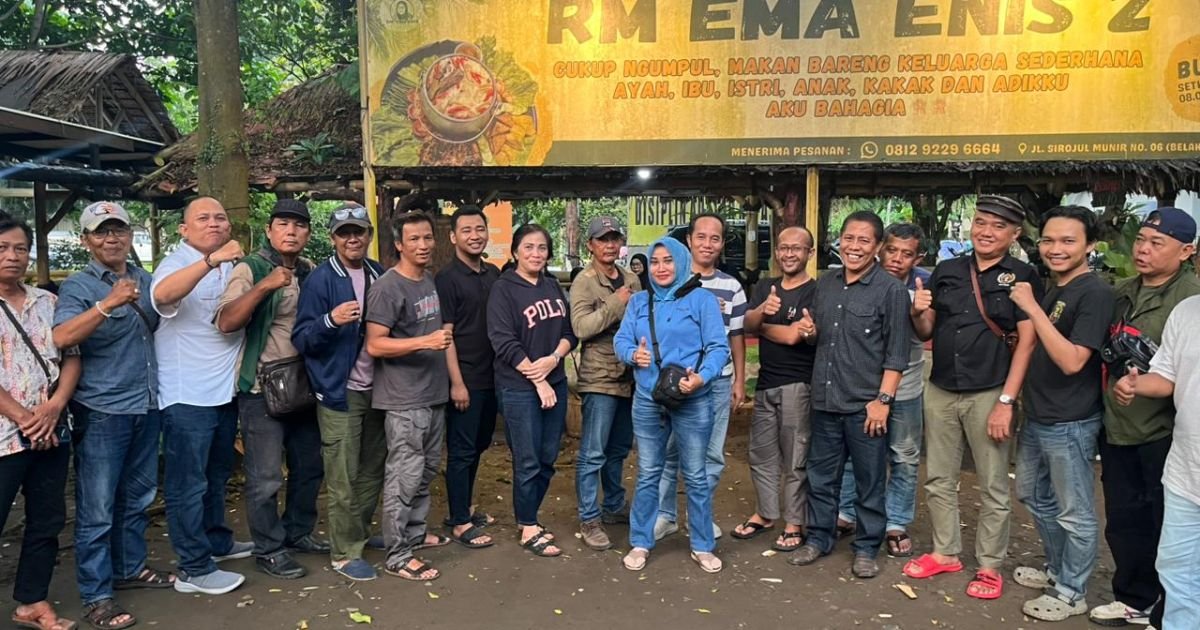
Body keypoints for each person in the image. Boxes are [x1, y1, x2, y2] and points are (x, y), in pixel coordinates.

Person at [903, 195, 1042, 601]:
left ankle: (989, 566)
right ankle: (945, 552)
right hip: (942, 388)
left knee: (993, 484)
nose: (986, 231)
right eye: (980, 222)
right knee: (938, 478)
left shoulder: (1021, 275)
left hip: (990, 391)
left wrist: (1007, 401)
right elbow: (928, 330)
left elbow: (1028, 342)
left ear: (1014, 234)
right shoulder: (948, 270)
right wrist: (918, 311)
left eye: (998, 226)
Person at [53, 201, 167, 629]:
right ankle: (96, 595)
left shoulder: (146, 279)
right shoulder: (79, 287)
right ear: (86, 240)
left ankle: (130, 567)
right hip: (102, 409)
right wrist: (108, 304)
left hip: (146, 403)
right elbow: (61, 336)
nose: (112, 238)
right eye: (101, 232)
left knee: (136, 498)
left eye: (118, 230)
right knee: (97, 507)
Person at [787, 211, 911, 579]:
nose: (854, 246)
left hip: (865, 406)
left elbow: (897, 354)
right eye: (849, 238)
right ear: (839, 241)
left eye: (864, 241)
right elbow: (820, 336)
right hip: (825, 401)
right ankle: (819, 538)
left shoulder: (891, 291)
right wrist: (809, 332)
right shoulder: (826, 284)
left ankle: (867, 547)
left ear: (876, 247)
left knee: (869, 480)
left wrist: (883, 402)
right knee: (821, 477)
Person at [1092, 208, 1199, 627]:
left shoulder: (1187, 297)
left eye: (1158, 243)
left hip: (1165, 434)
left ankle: (1166, 605)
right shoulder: (1123, 291)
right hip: (1120, 426)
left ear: (1187, 251)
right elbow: (1165, 372)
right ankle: (1135, 598)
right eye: (1141, 240)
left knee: (1162, 524)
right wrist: (1132, 385)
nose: (1143, 249)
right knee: (1124, 518)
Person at [1007, 206, 1114, 621]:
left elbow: (1072, 361)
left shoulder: (1094, 293)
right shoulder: (1058, 290)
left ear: (1090, 245)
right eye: (1049, 240)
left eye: (1068, 241)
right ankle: (1057, 569)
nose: (1055, 249)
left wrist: (1032, 309)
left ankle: (1072, 592)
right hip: (1040, 415)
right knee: (1031, 493)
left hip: (1071, 421)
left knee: (1076, 511)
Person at [215, 198, 327, 580]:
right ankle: (269, 547)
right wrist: (265, 285)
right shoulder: (251, 268)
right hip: (262, 388)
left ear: (308, 233)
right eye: (283, 224)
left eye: (299, 225)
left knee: (310, 467)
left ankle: (298, 532)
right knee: (265, 477)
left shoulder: (311, 271)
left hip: (305, 385)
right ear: (269, 230)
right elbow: (226, 321)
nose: (291, 231)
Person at [151, 197, 251, 595]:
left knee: (216, 475)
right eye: (203, 218)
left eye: (220, 217)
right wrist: (210, 261)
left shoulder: (231, 265)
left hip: (224, 392)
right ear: (183, 229)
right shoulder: (176, 263)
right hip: (186, 394)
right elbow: (161, 296)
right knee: (186, 484)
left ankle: (217, 542)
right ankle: (193, 567)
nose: (213, 224)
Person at [614, 236, 730, 573]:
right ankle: (640, 541)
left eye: (668, 260)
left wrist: (702, 377)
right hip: (649, 398)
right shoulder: (638, 302)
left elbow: (717, 347)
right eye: (655, 261)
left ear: (681, 262)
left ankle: (702, 544)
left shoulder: (701, 300)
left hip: (692, 398)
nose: (661, 268)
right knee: (649, 472)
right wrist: (632, 354)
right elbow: (621, 340)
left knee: (695, 474)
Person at [292, 203, 388, 581]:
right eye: (344, 232)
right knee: (342, 474)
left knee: (371, 468)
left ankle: (358, 534)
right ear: (332, 238)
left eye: (359, 231)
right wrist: (330, 321)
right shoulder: (320, 280)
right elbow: (301, 338)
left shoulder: (378, 273)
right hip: (339, 391)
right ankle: (344, 553)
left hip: (378, 388)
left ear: (369, 235)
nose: (353, 238)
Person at [0, 212, 81, 630]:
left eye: (20, 248)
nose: (12, 257)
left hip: (51, 433)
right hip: (4, 438)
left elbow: (71, 357)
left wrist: (53, 409)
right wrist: (25, 418)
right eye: (2, 248)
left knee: (47, 520)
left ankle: (32, 600)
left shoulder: (48, 302)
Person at [365, 211, 453, 581]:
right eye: (413, 239)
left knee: (426, 470)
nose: (422, 245)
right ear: (398, 244)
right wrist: (426, 341)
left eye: (427, 238)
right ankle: (398, 554)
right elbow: (375, 344)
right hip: (404, 400)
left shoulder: (427, 279)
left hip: (432, 394)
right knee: (404, 474)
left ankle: (414, 535)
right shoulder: (388, 287)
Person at [836, 223, 933, 558]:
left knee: (903, 457)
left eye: (907, 254)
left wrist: (918, 311)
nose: (897, 259)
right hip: (862, 385)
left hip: (904, 388)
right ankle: (847, 512)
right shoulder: (861, 279)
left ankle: (895, 522)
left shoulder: (923, 284)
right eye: (892, 250)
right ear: (880, 248)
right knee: (853, 455)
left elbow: (925, 332)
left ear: (918, 257)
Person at [487, 224, 578, 558]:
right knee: (527, 460)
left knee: (547, 458)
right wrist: (537, 379)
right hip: (519, 388)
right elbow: (502, 340)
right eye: (528, 247)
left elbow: (570, 332)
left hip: (553, 382)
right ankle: (527, 525)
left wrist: (554, 360)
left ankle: (532, 517)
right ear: (515, 252)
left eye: (542, 248)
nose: (536, 254)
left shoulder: (553, 286)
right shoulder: (504, 289)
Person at [656, 212, 747, 541]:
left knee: (710, 454)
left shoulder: (731, 287)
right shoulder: (670, 280)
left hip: (717, 382)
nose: (707, 244)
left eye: (715, 238)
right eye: (701, 237)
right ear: (689, 241)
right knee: (668, 452)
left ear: (721, 244)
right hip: (673, 384)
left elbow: (735, 337)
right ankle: (665, 516)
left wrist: (738, 379)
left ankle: (700, 517)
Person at [1113, 293, 1200, 630]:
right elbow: (1167, 376)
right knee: (1176, 570)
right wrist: (1135, 384)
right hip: (1185, 472)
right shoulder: (1188, 310)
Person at [731, 226, 817, 552]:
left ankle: (794, 522)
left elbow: (797, 336)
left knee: (796, 457)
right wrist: (761, 316)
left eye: (797, 248)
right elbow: (747, 324)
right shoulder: (766, 287)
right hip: (766, 383)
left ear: (809, 252)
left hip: (799, 385)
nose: (789, 254)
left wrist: (764, 326)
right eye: (783, 248)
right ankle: (766, 513)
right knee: (761, 454)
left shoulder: (815, 292)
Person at [571, 216, 640, 550]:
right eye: (603, 239)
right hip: (599, 377)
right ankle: (589, 518)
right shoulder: (584, 282)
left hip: (630, 377)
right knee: (593, 453)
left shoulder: (631, 278)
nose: (610, 244)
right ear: (591, 245)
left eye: (615, 238)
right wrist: (617, 303)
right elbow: (581, 328)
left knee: (618, 449)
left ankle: (613, 505)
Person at [435, 206, 499, 549]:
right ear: (453, 237)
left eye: (479, 229)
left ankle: (465, 506)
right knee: (460, 450)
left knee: (479, 444)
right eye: (466, 231)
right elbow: (446, 335)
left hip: (493, 378)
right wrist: (456, 383)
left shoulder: (493, 274)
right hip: (466, 377)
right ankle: (459, 521)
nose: (474, 236)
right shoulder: (446, 279)